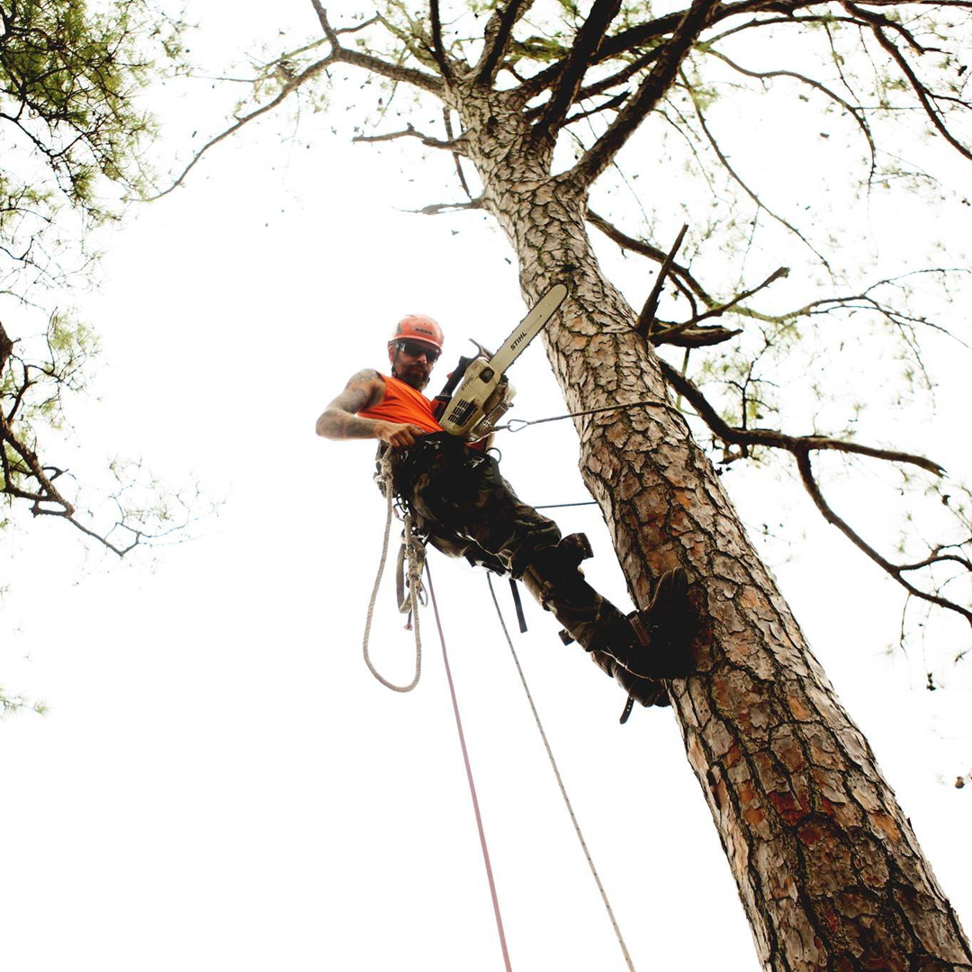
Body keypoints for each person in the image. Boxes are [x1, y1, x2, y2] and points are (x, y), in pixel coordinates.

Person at [316, 313, 694, 710]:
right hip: (440, 482)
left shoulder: (433, 409)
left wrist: (484, 422)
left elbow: (471, 445)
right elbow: (327, 421)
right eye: (414, 351)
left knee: (540, 566)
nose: (422, 362)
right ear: (394, 350)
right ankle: (638, 647)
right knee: (536, 543)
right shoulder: (375, 382)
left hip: (449, 494)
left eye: (430, 355)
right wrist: (380, 429)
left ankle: (625, 670)